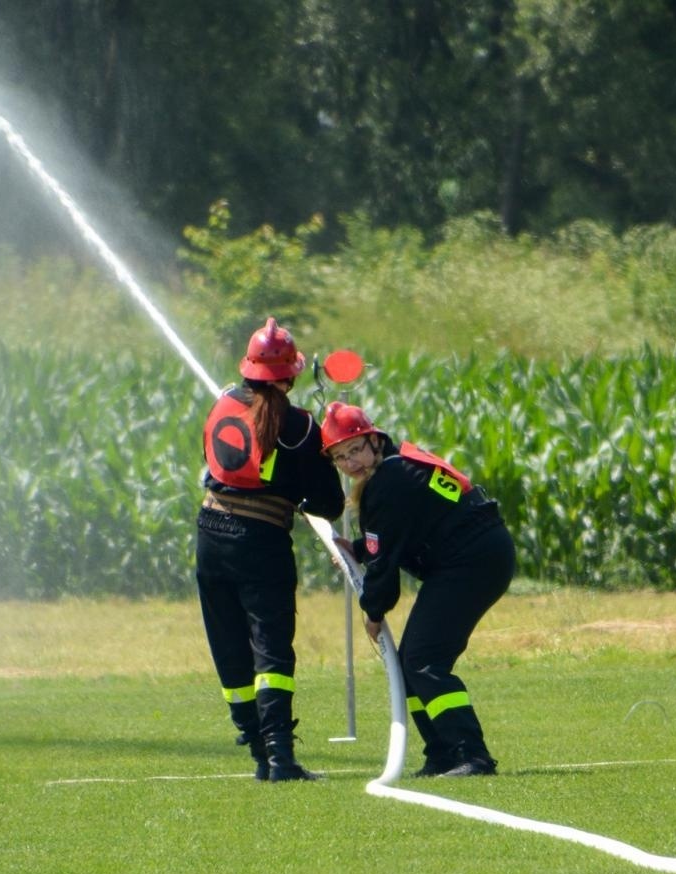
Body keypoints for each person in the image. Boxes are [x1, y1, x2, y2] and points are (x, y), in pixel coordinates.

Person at [320, 402, 515, 777]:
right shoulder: (396, 468)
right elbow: (401, 536)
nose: (352, 464)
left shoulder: (388, 483)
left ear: (374, 440)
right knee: (412, 660)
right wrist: (357, 550)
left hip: (471, 562)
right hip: (477, 555)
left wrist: (372, 612)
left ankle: (471, 756)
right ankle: (441, 754)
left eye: (356, 449)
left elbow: (385, 566)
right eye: (341, 458)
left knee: (424, 660)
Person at [196, 318, 345, 782]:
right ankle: (281, 757)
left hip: (209, 536)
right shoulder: (298, 424)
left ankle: (258, 751)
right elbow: (330, 503)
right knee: (272, 649)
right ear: (291, 373)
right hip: (260, 542)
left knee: (230, 648)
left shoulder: (223, 404)